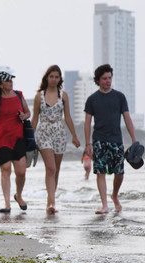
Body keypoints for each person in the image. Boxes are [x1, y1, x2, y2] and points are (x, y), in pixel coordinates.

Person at [84, 64, 137, 214]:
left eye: (109, 78)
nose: (108, 81)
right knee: (100, 171)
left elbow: (127, 118)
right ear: (98, 80)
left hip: (116, 140)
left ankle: (114, 195)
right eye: (104, 78)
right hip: (99, 140)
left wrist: (134, 139)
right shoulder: (92, 99)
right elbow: (87, 123)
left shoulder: (119, 97)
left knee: (119, 172)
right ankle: (104, 205)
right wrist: (88, 143)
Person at [31, 65, 81, 214]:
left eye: (56, 77)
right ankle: (51, 202)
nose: (53, 79)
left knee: (56, 170)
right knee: (50, 168)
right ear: (47, 77)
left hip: (59, 133)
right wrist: (29, 138)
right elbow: (34, 119)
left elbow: (68, 117)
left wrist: (74, 135)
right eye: (51, 76)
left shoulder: (63, 95)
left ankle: (51, 201)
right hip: (44, 132)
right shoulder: (39, 96)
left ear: (60, 79)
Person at [0, 70, 30, 213]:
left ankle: (19, 195)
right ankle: (7, 204)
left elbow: (28, 112)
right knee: (6, 170)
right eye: (8, 80)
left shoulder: (19, 95)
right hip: (1, 138)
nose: (11, 82)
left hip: (18, 138)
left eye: (11, 80)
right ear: (0, 85)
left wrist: (24, 116)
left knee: (21, 171)